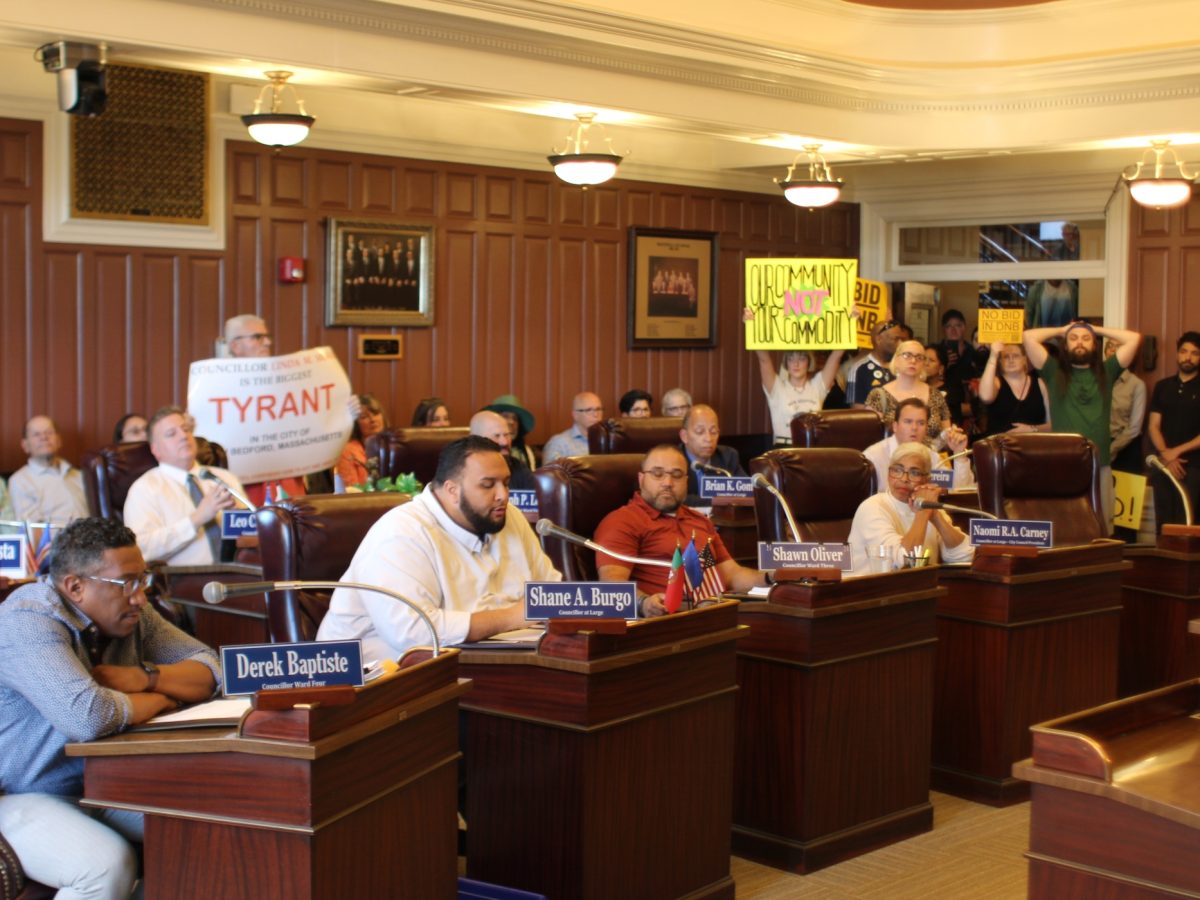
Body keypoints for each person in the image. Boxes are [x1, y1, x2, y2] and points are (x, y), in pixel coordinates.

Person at [0, 517, 219, 899]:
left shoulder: (132, 612)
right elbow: (86, 716)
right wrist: (163, 698)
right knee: (105, 865)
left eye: (143, 579)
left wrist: (145, 677)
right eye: (127, 584)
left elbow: (210, 669)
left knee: (219, 831)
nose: (139, 596)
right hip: (21, 794)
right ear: (75, 587)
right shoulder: (28, 619)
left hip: (104, 784)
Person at [316, 436, 561, 658]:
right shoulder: (401, 533)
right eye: (488, 485)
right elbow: (413, 632)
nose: (503, 495)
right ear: (452, 490)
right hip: (376, 682)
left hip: (483, 663)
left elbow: (550, 592)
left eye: (506, 483)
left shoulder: (510, 518)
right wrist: (511, 617)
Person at [594, 445, 768, 617]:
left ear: (686, 481)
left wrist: (772, 577)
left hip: (715, 613)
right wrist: (643, 602)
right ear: (641, 479)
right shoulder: (623, 521)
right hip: (666, 621)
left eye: (676, 475)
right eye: (657, 474)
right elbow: (612, 584)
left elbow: (732, 575)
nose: (667, 483)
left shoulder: (700, 520)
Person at [1024, 320, 1142, 530]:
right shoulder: (1053, 372)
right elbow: (1028, 337)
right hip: (1063, 462)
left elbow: (1134, 339)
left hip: (1099, 463)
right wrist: (1062, 330)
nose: (1080, 342)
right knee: (1064, 525)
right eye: (1074, 339)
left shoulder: (1107, 371)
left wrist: (1094, 329)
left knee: (1101, 525)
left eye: (1086, 339)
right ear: (1065, 345)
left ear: (1095, 345)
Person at [123, 406, 246, 565]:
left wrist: (238, 523)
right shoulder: (144, 489)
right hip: (183, 581)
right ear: (155, 450)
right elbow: (143, 549)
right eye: (171, 434)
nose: (183, 436)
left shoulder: (223, 478)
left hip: (241, 573)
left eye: (186, 429)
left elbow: (251, 537)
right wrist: (198, 518)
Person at [846, 441, 973, 577]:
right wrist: (923, 513)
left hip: (915, 590)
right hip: (868, 593)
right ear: (889, 473)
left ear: (927, 479)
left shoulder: (930, 508)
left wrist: (935, 516)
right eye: (897, 470)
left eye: (914, 473)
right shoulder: (873, 507)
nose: (904, 479)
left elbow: (965, 555)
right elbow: (902, 563)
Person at [743, 307, 849, 444]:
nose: (796, 363)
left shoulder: (817, 386)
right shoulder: (777, 387)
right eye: (791, 359)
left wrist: (850, 320)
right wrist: (750, 326)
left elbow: (836, 356)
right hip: (784, 449)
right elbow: (764, 359)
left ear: (809, 362)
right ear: (786, 363)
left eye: (801, 358)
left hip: (812, 448)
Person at [1147, 332, 1200, 532]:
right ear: (1177, 354)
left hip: (1194, 467)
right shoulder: (1162, 387)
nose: (1188, 357)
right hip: (1163, 465)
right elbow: (1153, 425)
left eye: (1194, 353)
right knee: (1164, 522)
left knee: (1188, 522)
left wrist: (1174, 452)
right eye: (1184, 351)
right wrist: (1166, 455)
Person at [863, 398, 973, 491]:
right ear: (895, 426)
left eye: (921, 423)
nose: (914, 428)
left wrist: (960, 454)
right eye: (908, 422)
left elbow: (960, 490)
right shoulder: (873, 457)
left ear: (926, 429)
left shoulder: (931, 456)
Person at [865, 339, 953, 443]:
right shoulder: (878, 395)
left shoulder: (935, 394)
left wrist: (953, 437)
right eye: (907, 355)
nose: (913, 361)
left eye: (919, 357)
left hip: (930, 456)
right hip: (893, 457)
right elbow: (869, 438)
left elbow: (948, 437)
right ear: (896, 360)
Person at [8, 415, 88, 526]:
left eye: (49, 432)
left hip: (95, 539)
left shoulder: (80, 475)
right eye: (36, 434)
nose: (44, 437)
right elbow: (32, 529)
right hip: (57, 542)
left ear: (59, 440)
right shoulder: (20, 481)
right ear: (25, 445)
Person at [678, 404, 746, 506]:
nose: (708, 439)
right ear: (684, 436)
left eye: (713, 432)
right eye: (700, 432)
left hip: (722, 520)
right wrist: (714, 501)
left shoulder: (728, 457)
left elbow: (746, 492)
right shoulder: (674, 460)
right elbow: (676, 498)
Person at [978, 342, 1050, 436]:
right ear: (1000, 361)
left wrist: (1032, 429)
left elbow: (1053, 424)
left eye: (1016, 356)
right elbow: (985, 397)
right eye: (1006, 357)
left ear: (1025, 359)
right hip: (1001, 447)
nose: (1011, 360)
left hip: (1033, 446)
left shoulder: (1041, 384)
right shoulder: (995, 383)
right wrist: (993, 356)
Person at [938, 309, 988, 430]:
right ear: (943, 329)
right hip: (945, 407)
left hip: (972, 410)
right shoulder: (937, 352)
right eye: (949, 326)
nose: (953, 330)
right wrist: (944, 366)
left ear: (964, 327)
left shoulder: (974, 352)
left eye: (958, 325)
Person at [469, 410, 537, 490]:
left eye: (507, 435)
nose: (504, 442)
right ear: (477, 439)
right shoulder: (461, 470)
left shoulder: (518, 467)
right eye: (497, 436)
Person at [1107, 339, 1147, 473]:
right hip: (1097, 445)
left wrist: (1113, 448)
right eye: (1110, 346)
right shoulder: (1094, 380)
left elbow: (1135, 427)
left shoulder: (1136, 385)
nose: (1113, 349)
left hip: (1126, 447)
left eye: (1119, 346)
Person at [847, 318, 904, 407]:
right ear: (879, 339)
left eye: (901, 339)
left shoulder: (903, 367)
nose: (901, 343)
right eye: (896, 339)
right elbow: (857, 411)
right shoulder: (859, 369)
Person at [337, 393, 387, 488]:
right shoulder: (347, 452)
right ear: (356, 424)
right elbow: (351, 492)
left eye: (376, 414)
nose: (373, 420)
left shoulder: (393, 447)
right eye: (364, 417)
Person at [542, 392, 604, 463]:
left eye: (598, 409)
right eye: (588, 410)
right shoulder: (559, 443)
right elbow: (549, 473)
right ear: (575, 415)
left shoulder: (609, 440)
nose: (596, 414)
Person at [484, 394, 537, 470]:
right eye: (505, 416)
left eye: (515, 418)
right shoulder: (483, 451)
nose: (511, 422)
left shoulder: (526, 452)